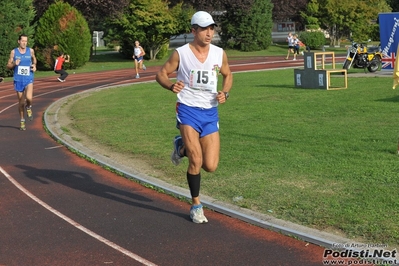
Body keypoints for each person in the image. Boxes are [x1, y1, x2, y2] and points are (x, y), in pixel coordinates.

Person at [155, 11, 233, 224]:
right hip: (188, 109)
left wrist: (225, 93)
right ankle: (196, 205)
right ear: (194, 31)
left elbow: (228, 75)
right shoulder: (181, 53)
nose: (209, 33)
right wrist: (171, 85)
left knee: (211, 165)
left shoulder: (219, 53)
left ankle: (180, 147)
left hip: (210, 112)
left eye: (211, 28)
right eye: (204, 28)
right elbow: (161, 74)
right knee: (196, 160)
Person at [6, 34, 37, 131]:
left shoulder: (30, 50)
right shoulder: (14, 52)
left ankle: (29, 107)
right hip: (18, 79)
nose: (24, 43)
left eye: (26, 41)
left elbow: (34, 59)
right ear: (19, 41)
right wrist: (15, 63)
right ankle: (22, 121)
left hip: (28, 78)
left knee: (29, 98)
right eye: (22, 41)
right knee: (21, 102)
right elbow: (8, 65)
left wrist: (34, 65)